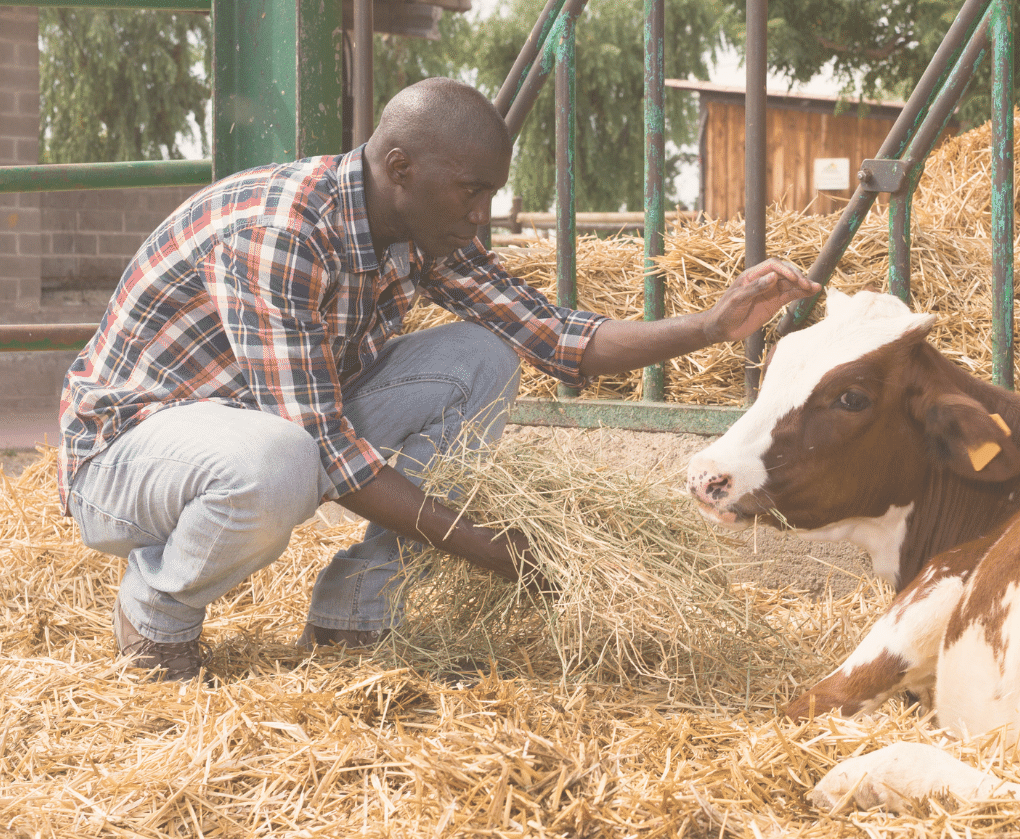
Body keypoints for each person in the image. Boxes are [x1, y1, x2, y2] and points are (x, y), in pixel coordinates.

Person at [59, 78, 817, 681]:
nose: (479, 216)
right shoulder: (280, 233)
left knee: (480, 358)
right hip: (128, 458)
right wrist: (491, 549)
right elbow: (323, 449)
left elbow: (553, 336)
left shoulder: (420, 228)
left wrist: (711, 327)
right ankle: (157, 616)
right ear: (399, 169)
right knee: (279, 457)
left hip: (263, 426)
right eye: (471, 192)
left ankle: (356, 612)